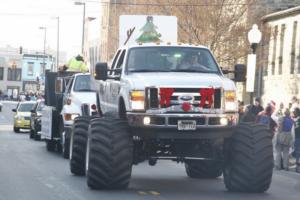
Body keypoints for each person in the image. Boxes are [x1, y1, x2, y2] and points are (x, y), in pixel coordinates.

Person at [293, 107, 300, 173]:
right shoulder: (295, 119)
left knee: (298, 152)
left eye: (294, 111)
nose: (293, 113)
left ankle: (297, 167)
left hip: (298, 138)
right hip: (296, 138)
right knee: (297, 152)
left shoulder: (297, 120)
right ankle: (297, 167)